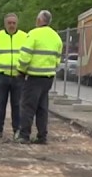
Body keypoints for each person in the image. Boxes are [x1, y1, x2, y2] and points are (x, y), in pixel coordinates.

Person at [16, 10, 63, 145]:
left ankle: (24, 135)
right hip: (48, 77)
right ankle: (42, 136)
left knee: (28, 106)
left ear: (39, 20)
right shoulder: (56, 37)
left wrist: (21, 70)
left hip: (34, 77)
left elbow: (25, 55)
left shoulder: (33, 34)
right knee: (42, 107)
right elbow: (57, 59)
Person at [0, 13, 27, 140]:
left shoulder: (24, 37)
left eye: (14, 23)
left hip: (18, 76)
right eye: (9, 23)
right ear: (5, 23)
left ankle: (17, 130)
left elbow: (27, 55)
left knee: (17, 105)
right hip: (1, 76)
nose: (11, 25)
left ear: (17, 23)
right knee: (1, 104)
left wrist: (25, 72)